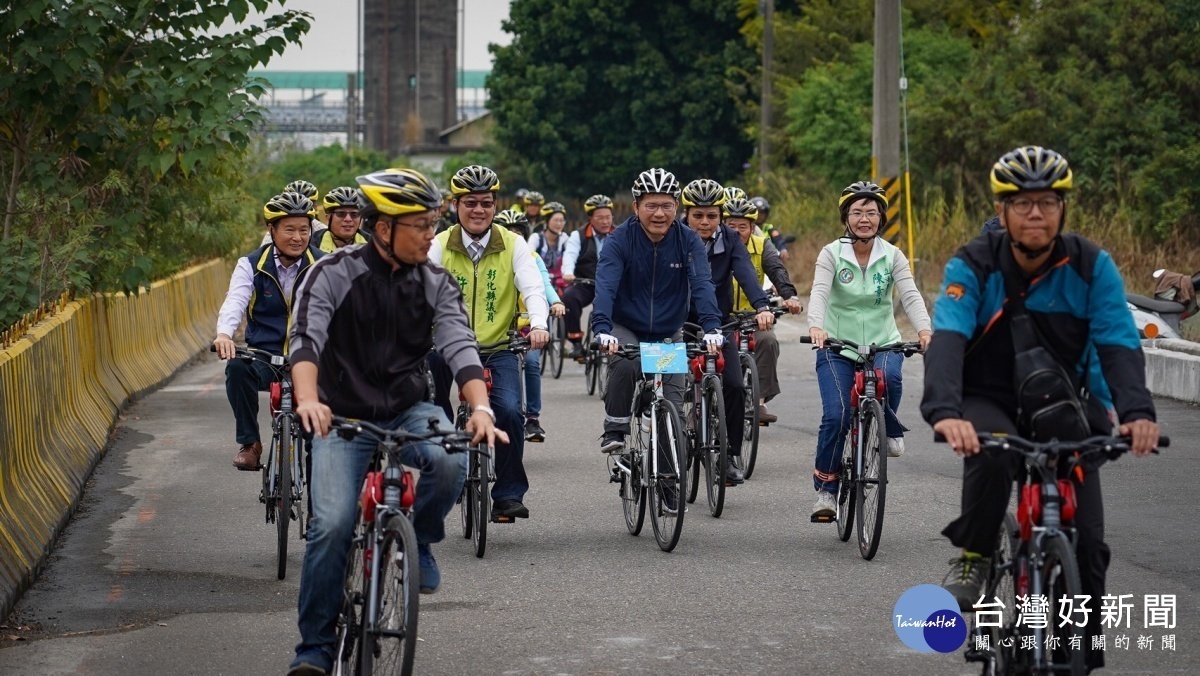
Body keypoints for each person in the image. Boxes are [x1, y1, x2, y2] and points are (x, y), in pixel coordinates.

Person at [921, 146, 1159, 672]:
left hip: (1062, 401)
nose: (1036, 214)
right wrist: (945, 409)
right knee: (990, 453)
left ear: (1063, 209)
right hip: (990, 399)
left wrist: (1136, 412)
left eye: (1048, 202)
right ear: (1002, 211)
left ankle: (1079, 654)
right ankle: (977, 555)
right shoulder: (975, 263)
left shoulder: (1091, 265)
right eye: (1023, 203)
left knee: (1091, 547)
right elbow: (949, 337)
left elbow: (1118, 343)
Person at [284, 167, 505, 676]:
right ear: (383, 229)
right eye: (421, 225)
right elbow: (307, 340)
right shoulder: (333, 273)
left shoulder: (435, 280)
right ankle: (314, 649)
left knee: (452, 458)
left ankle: (420, 537)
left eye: (433, 223)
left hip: (409, 408)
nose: (433, 235)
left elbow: (459, 344)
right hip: (340, 415)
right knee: (332, 524)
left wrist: (481, 407)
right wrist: (308, 399)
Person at [429, 165, 550, 521]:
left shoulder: (513, 243)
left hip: (498, 346)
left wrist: (539, 324)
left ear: (495, 205)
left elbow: (532, 288)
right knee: (432, 409)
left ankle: (508, 494)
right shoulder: (438, 244)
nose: (478, 210)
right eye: (470, 203)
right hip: (447, 346)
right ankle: (446, 472)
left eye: (485, 203)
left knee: (511, 411)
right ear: (455, 205)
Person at [807, 181, 931, 518]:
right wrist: (816, 326)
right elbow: (819, 291)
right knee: (837, 415)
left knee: (890, 376)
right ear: (846, 217)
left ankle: (886, 425)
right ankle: (827, 491)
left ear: (881, 218)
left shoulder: (893, 255)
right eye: (858, 212)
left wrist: (924, 330)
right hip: (836, 344)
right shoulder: (831, 253)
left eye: (872, 212)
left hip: (883, 341)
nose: (865, 219)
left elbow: (910, 293)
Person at [592, 168, 724, 464]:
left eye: (666, 205)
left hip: (667, 332)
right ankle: (615, 426)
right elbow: (606, 285)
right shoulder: (619, 240)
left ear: (676, 207)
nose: (659, 213)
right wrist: (602, 328)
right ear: (636, 206)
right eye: (651, 205)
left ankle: (666, 483)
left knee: (673, 414)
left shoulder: (687, 239)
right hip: (626, 326)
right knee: (627, 363)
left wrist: (712, 326)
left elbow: (702, 283)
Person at [214, 193, 323, 470]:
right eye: (289, 229)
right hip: (265, 355)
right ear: (271, 230)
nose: (297, 237)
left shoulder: (324, 264)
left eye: (304, 229)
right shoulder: (250, 264)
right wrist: (224, 334)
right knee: (237, 368)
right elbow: (235, 301)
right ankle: (250, 443)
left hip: (311, 356)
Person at [679, 180, 775, 485]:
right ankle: (663, 448)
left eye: (711, 216)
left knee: (733, 384)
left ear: (721, 215)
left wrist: (761, 305)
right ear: (686, 214)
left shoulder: (732, 239)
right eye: (698, 216)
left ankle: (729, 454)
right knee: (666, 385)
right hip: (674, 324)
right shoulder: (672, 237)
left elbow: (746, 272)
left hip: (716, 324)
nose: (705, 223)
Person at [724, 197, 803, 424]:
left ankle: (758, 402)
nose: (738, 232)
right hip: (720, 316)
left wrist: (790, 296)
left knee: (768, 340)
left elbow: (777, 269)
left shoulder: (762, 244)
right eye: (732, 226)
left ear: (752, 227)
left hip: (754, 315)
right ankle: (697, 405)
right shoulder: (715, 244)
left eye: (743, 226)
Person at [495, 209, 567, 442]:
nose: (512, 236)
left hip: (527, 326)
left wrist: (555, 301)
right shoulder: (490, 256)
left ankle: (533, 419)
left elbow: (543, 283)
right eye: (507, 231)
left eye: (517, 232)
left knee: (533, 363)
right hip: (496, 326)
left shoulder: (533, 257)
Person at [562, 194, 616, 359]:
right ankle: (577, 343)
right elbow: (570, 255)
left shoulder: (619, 234)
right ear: (590, 218)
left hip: (611, 285)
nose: (605, 222)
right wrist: (568, 273)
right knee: (569, 296)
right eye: (600, 218)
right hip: (586, 283)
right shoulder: (578, 235)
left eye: (608, 217)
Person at [313, 186, 369, 252]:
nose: (348, 219)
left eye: (354, 214)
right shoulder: (312, 244)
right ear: (328, 218)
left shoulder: (372, 244)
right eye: (341, 213)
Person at [528, 201, 568, 288]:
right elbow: (528, 259)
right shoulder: (536, 238)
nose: (559, 224)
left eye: (561, 220)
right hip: (538, 282)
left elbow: (570, 258)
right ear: (546, 221)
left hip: (561, 284)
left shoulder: (565, 239)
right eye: (556, 220)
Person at [749, 195, 791, 261]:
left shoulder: (769, 228)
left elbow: (778, 239)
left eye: (762, 213)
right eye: (756, 212)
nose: (759, 215)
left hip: (767, 260)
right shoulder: (745, 228)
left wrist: (783, 250)